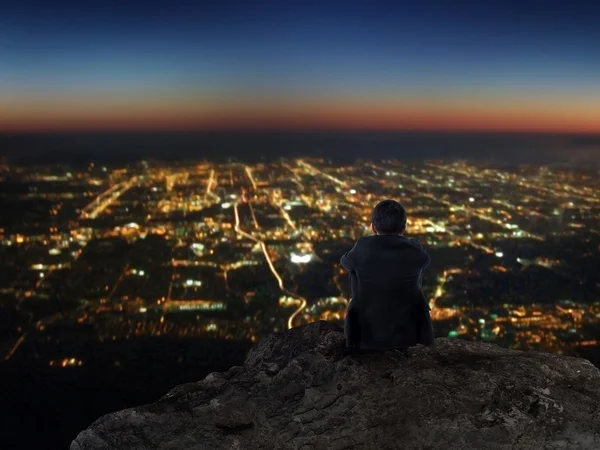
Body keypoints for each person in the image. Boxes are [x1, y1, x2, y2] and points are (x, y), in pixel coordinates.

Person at [340, 199, 434, 350]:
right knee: (413, 273)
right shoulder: (414, 249)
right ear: (403, 228)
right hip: (410, 332)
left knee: (355, 269)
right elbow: (425, 262)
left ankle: (355, 336)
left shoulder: (363, 246)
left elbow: (345, 262)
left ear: (373, 227)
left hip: (367, 333)